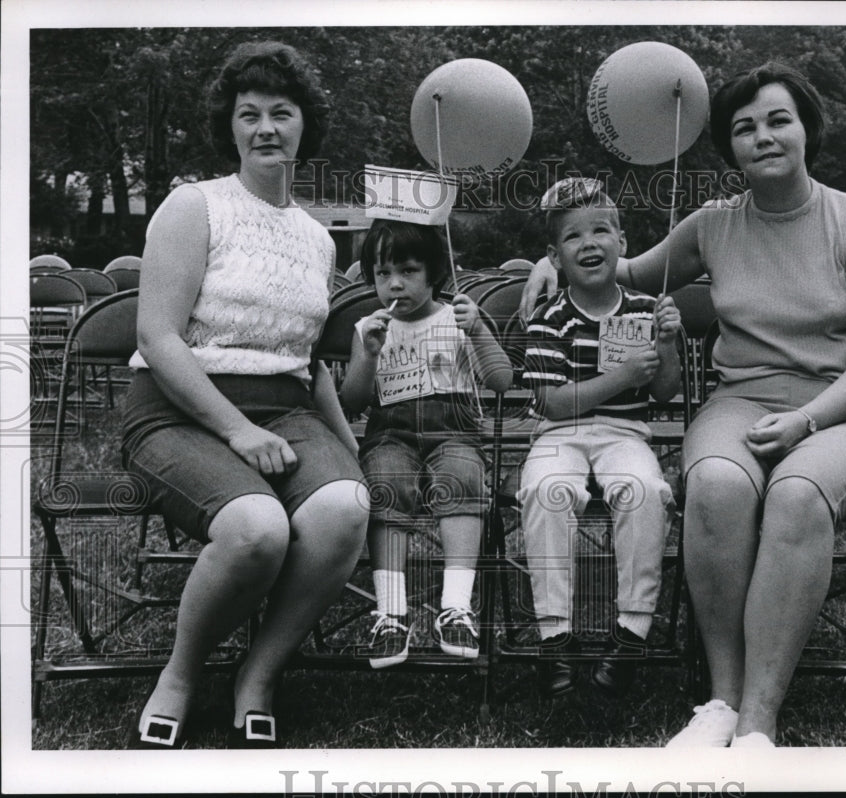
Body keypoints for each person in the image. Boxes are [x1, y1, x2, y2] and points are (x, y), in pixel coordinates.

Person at [520, 64, 846, 745]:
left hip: (843, 412)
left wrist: (807, 421)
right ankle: (720, 702)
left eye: (778, 120)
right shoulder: (714, 224)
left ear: (807, 128)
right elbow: (621, 271)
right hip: (742, 399)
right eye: (744, 128)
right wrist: (549, 263)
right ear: (730, 149)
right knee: (717, 484)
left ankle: (758, 722)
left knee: (797, 493)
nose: (763, 137)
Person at [120, 41, 369, 749]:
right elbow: (159, 337)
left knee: (343, 507)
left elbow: (305, 360)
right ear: (229, 126)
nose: (265, 127)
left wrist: (346, 449)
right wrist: (235, 430)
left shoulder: (319, 240)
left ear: (303, 127)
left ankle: (258, 675)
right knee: (257, 529)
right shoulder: (193, 206)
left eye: (280, 113)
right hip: (177, 408)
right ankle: (180, 674)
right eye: (249, 113)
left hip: (286, 410)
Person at [517, 178, 682, 699]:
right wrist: (620, 377)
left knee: (644, 492)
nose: (589, 243)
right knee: (548, 492)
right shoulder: (550, 318)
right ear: (555, 256)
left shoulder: (642, 309)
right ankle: (554, 636)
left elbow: (663, 390)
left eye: (601, 231)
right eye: (573, 237)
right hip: (558, 435)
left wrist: (668, 344)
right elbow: (550, 401)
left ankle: (631, 631)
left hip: (624, 432)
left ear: (623, 242)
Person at [340, 220, 512, 667]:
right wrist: (369, 355)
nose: (395, 283)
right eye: (382, 274)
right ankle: (391, 611)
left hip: (453, 429)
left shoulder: (458, 316)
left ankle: (456, 606)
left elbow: (501, 379)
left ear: (434, 272)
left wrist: (477, 331)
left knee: (461, 476)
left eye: (408, 270)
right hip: (391, 433)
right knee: (386, 481)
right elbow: (353, 402)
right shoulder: (368, 329)